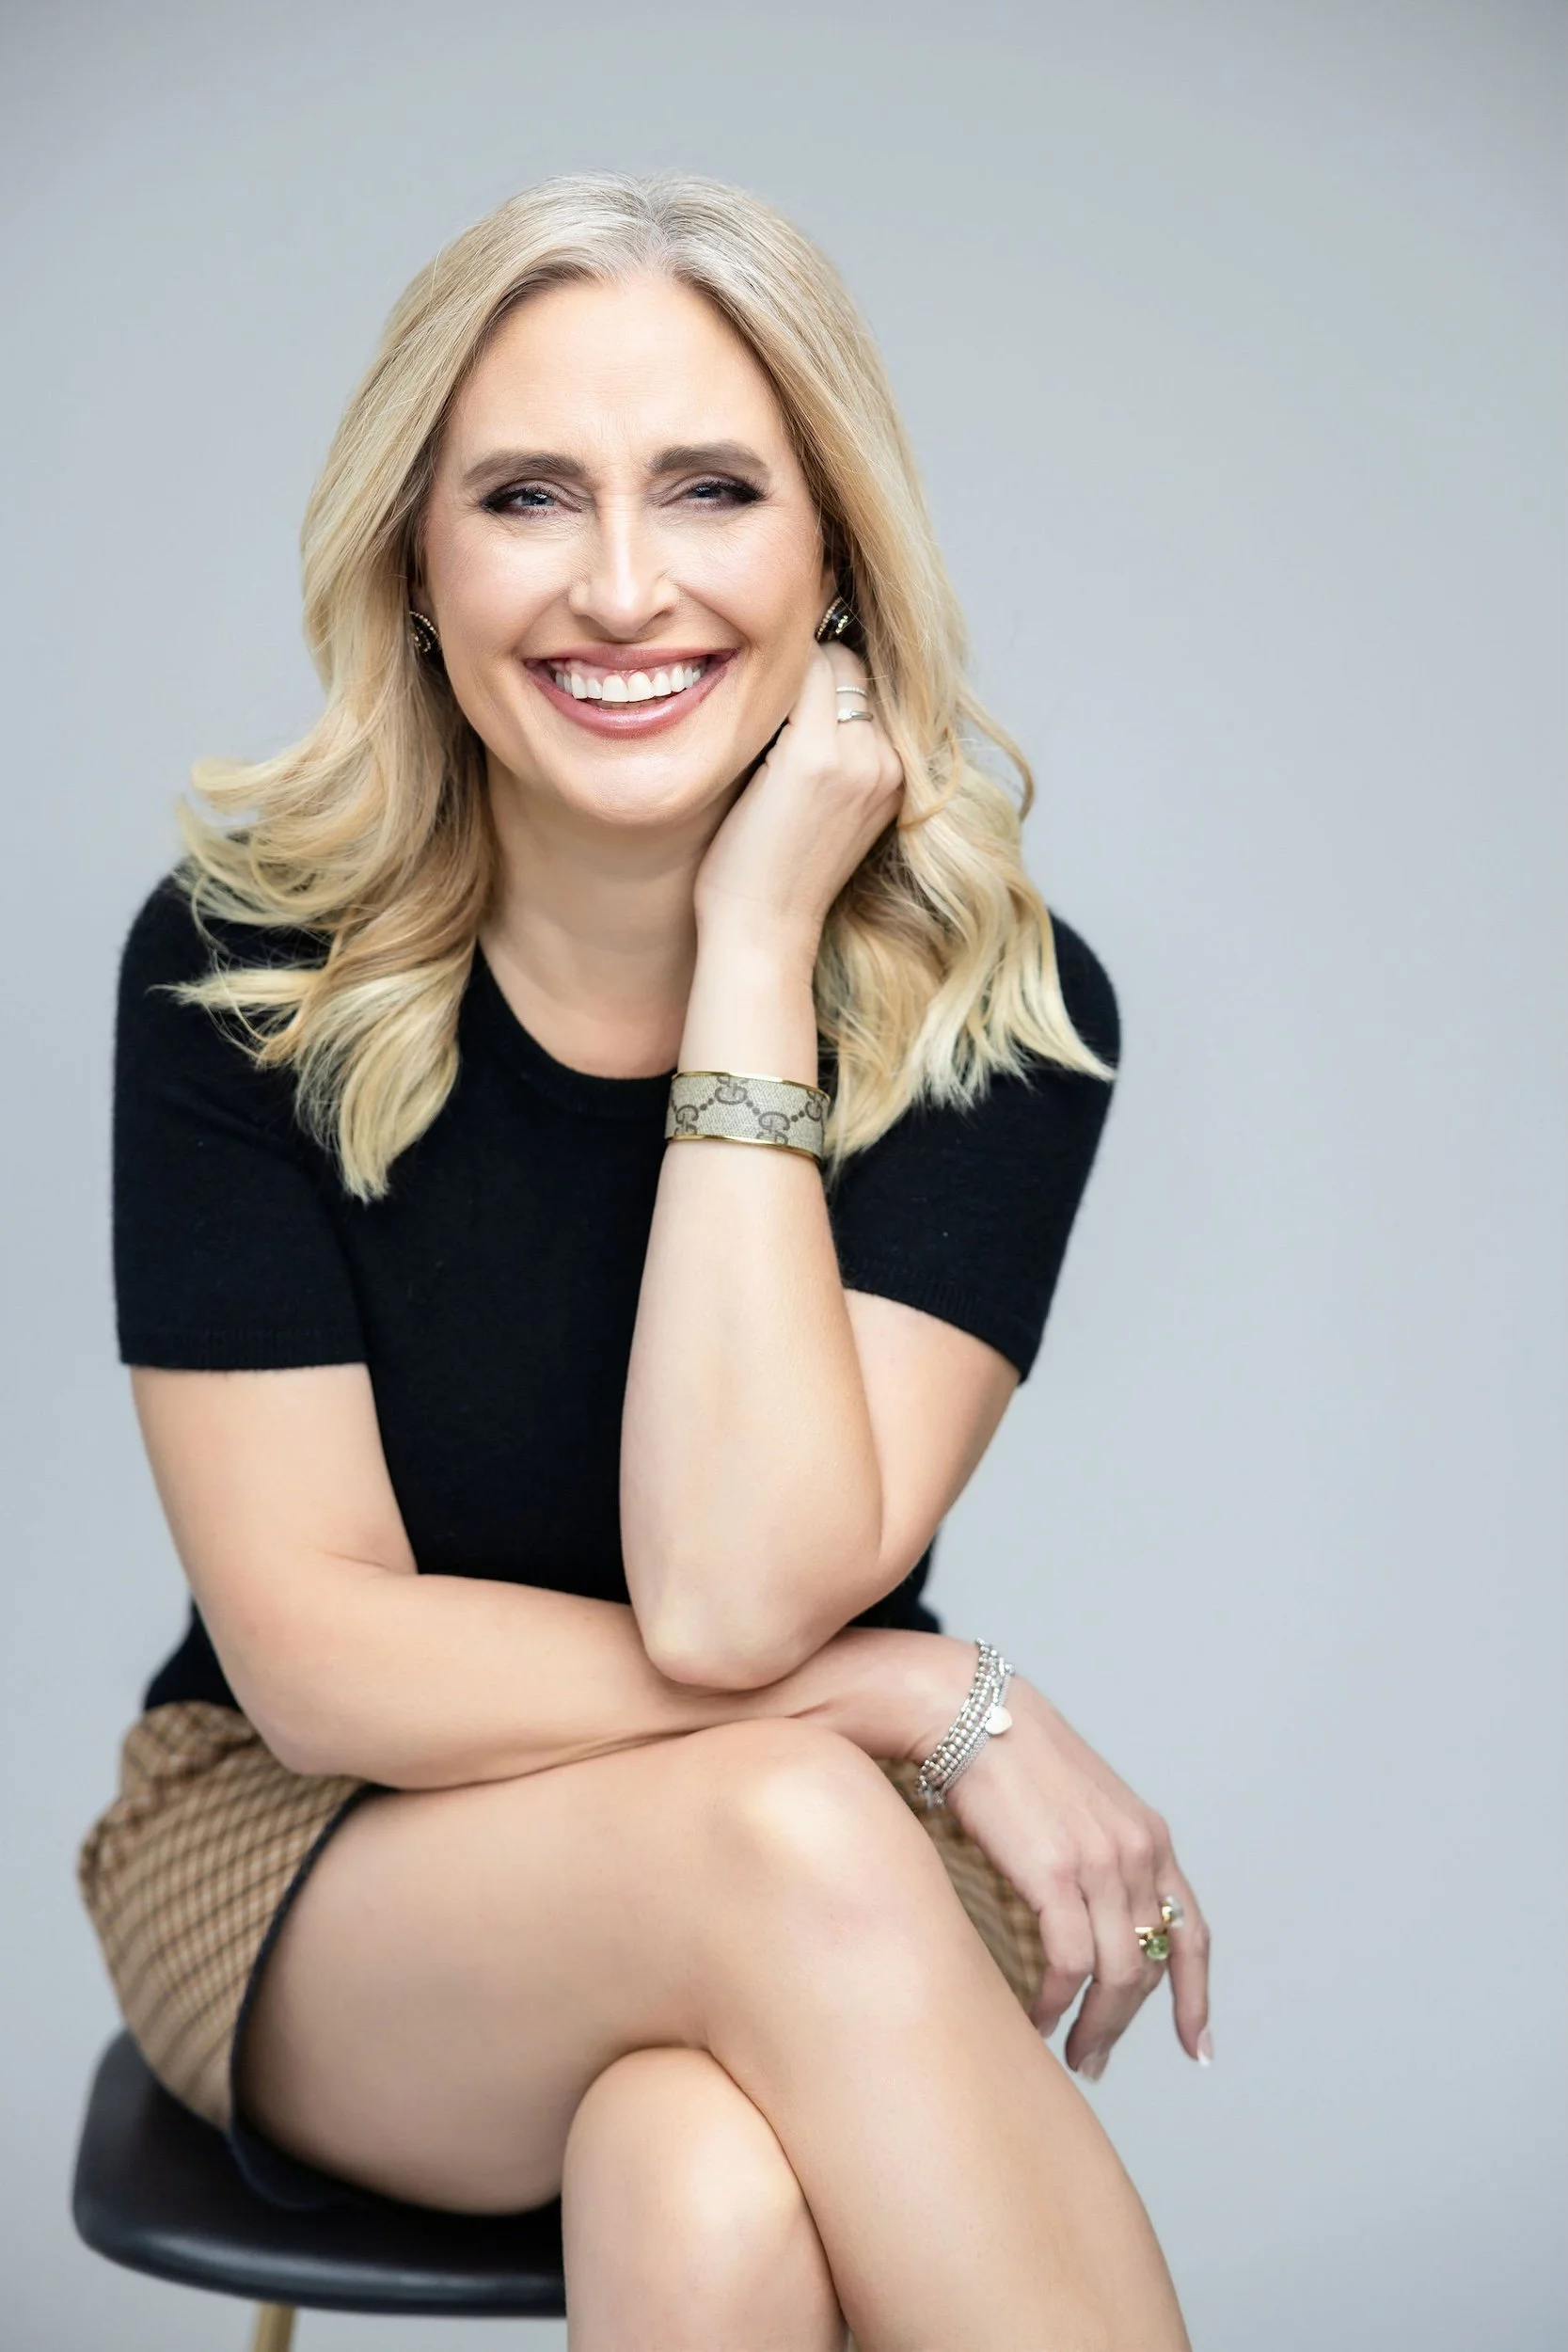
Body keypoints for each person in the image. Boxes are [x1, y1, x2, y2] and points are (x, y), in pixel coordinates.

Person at [78, 171, 1211, 2349]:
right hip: (325, 1842)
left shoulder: (986, 1013)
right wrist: (899, 1691)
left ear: (832, 557)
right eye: (526, 495)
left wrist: (756, 941)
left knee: (697, 2167)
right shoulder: (240, 973)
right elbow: (319, 1657)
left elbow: (727, 1590)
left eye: (709, 488)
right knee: (780, 1821)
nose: (618, 584)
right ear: (417, 563)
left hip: (817, 1851)